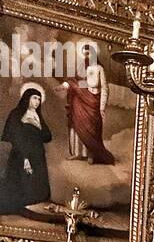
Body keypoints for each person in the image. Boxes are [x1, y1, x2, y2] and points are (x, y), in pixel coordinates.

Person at [0, 85, 52, 214]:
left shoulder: (37, 115)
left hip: (38, 155)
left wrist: (36, 124)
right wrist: (25, 159)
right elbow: (16, 137)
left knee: (37, 190)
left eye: (39, 99)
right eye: (34, 98)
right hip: (21, 153)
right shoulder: (17, 114)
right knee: (20, 186)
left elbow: (47, 136)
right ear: (27, 98)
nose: (37, 102)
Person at [62, 43, 114, 164]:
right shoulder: (80, 67)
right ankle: (77, 153)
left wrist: (102, 107)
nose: (86, 56)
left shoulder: (99, 68)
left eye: (88, 53)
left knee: (92, 127)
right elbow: (76, 81)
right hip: (79, 100)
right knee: (76, 124)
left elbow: (104, 87)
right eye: (84, 53)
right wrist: (70, 85)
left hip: (93, 101)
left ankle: (91, 153)